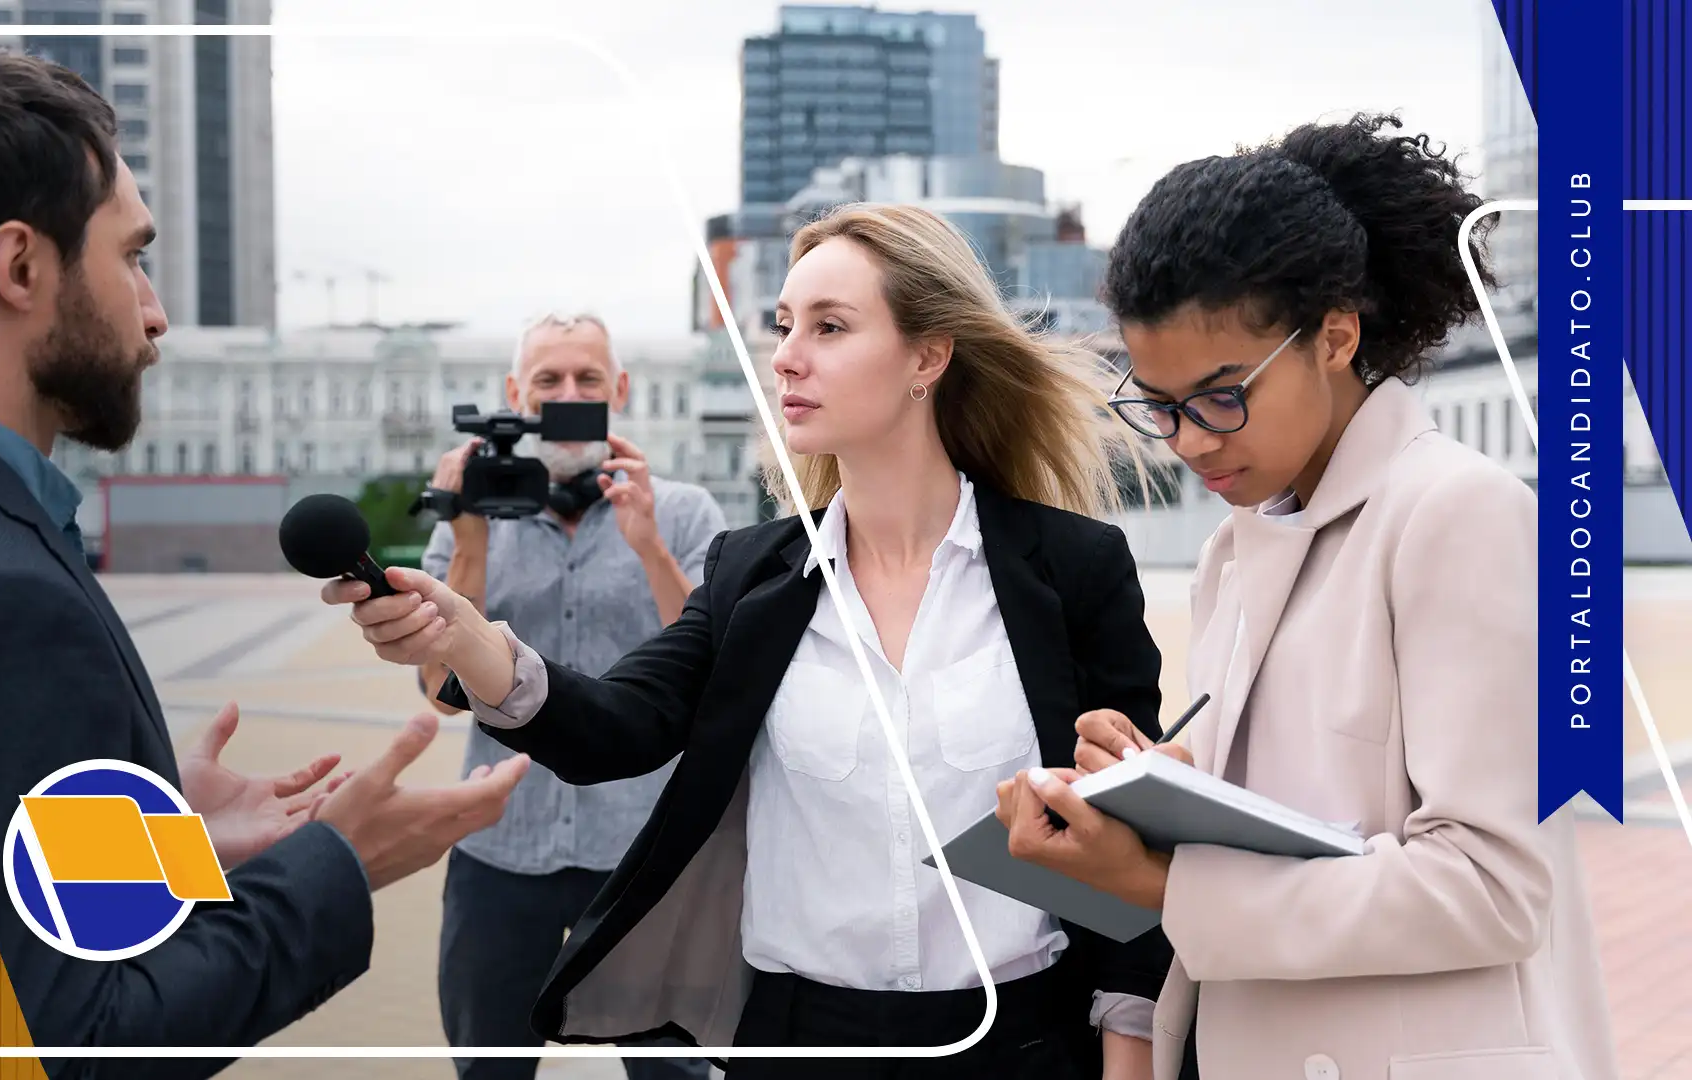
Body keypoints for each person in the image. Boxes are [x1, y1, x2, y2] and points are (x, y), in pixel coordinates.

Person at [326, 203, 1174, 1079]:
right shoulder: (752, 574)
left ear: (928, 356)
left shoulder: (1075, 570)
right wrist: (468, 640)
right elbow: (617, 723)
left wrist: (1129, 1055)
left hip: (1021, 1045)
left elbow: (1128, 843)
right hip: (794, 1042)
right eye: (782, 327)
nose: (786, 356)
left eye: (830, 327)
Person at [0, 43, 528, 1077]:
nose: (154, 314)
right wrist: (338, 865)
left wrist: (158, 845)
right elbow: (82, 1044)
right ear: (21, 266)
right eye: (132, 257)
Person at [993, 113, 1621, 1080]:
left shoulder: (1459, 513)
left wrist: (1164, 883)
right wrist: (1160, 788)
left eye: (1219, 395)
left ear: (1335, 335)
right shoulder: (1231, 554)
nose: (1190, 441)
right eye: (1157, 406)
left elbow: (1493, 886)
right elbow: (1311, 807)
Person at [416, 311, 722, 1080]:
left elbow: (714, 671)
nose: (568, 393)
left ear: (618, 389)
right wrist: (472, 541)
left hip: (643, 849)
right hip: (501, 844)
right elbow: (439, 691)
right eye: (548, 380)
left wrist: (647, 543)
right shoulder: (468, 514)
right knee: (489, 1065)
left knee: (673, 1071)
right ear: (516, 394)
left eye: (587, 378)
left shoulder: (682, 511)